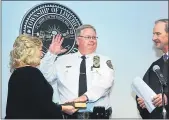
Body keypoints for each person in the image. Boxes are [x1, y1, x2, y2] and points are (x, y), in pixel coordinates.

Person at [40, 24, 114, 119]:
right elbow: (45, 77)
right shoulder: (63, 60)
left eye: (94, 37)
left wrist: (84, 98)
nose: (92, 40)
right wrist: (51, 54)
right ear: (77, 40)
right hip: (70, 116)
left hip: (98, 116)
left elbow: (105, 84)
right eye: (88, 37)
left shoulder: (104, 60)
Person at [5, 34, 77, 119]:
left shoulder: (17, 74)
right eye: (40, 50)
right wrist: (64, 108)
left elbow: (32, 105)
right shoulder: (32, 73)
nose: (41, 54)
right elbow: (43, 107)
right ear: (31, 52)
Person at [136, 19, 168, 119]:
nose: (153, 38)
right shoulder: (156, 66)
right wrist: (144, 102)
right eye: (153, 34)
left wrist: (167, 97)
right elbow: (142, 90)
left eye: (158, 34)